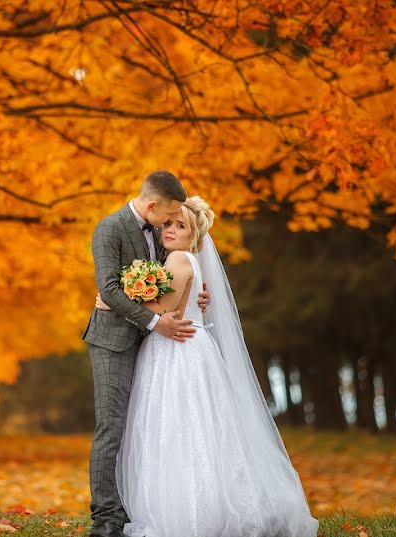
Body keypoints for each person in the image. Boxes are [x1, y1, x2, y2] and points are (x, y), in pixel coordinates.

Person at [96, 196, 319, 537]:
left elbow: (164, 310)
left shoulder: (180, 260)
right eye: (168, 224)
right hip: (180, 347)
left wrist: (113, 302)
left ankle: (191, 510)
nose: (170, 230)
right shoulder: (183, 260)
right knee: (190, 427)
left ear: (194, 236)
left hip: (177, 352)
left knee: (178, 429)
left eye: (180, 226)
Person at [83, 171, 209, 537]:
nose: (170, 225)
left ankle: (142, 506)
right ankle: (106, 518)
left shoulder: (162, 230)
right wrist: (157, 323)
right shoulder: (109, 229)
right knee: (112, 427)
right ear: (152, 206)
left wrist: (195, 297)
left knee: (149, 427)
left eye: (175, 221)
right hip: (113, 341)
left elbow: (175, 274)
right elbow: (108, 287)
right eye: (167, 217)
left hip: (156, 347)